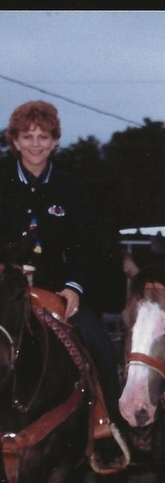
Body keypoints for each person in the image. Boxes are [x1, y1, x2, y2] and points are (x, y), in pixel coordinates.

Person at [0, 100, 123, 435]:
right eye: (28, 136)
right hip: (5, 294)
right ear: (15, 141)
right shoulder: (2, 183)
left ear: (55, 141)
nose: (35, 144)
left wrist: (74, 287)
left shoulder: (73, 189)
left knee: (100, 345)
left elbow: (88, 247)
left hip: (58, 292)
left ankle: (107, 428)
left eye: (43, 137)